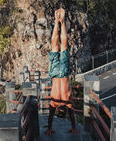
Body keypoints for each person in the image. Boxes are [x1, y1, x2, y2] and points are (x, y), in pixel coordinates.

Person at [44, 8, 79, 136]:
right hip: (55, 74)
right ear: (59, 109)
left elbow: (71, 115)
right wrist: (49, 128)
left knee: (63, 45)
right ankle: (56, 21)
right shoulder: (54, 102)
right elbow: (50, 117)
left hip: (63, 73)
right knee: (54, 45)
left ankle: (61, 22)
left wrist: (74, 126)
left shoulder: (68, 102)